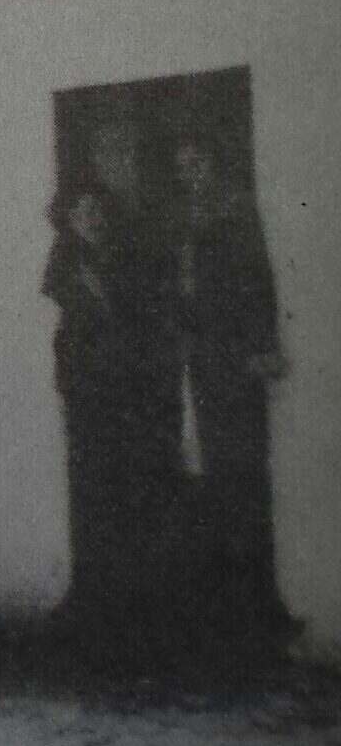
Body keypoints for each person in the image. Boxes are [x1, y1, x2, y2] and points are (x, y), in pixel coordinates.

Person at [165, 137, 296, 639]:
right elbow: (181, 289)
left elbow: (258, 280)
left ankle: (256, 602)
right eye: (182, 167)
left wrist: (262, 347)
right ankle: (220, 606)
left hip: (236, 360)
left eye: (196, 162)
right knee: (213, 473)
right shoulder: (183, 218)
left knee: (245, 472)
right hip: (201, 361)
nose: (189, 174)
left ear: (214, 162)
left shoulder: (236, 209)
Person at [41, 181, 179, 651]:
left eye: (97, 211)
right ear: (69, 220)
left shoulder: (124, 258)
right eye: (83, 213)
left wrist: (112, 299)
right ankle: (90, 596)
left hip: (125, 391)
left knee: (126, 490)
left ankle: (128, 602)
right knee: (88, 490)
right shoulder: (65, 260)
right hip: (85, 392)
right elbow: (68, 310)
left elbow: (137, 316)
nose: (92, 220)